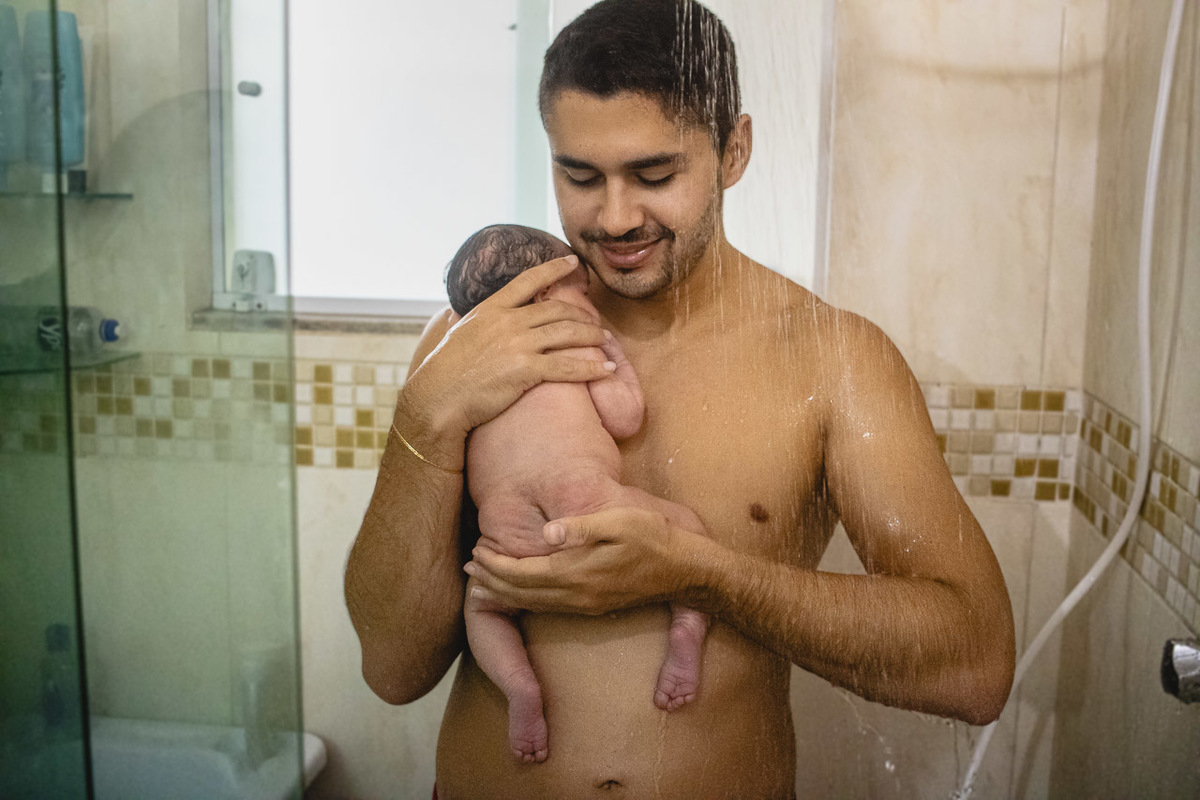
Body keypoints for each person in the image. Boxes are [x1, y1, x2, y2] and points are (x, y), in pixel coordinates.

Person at [345, 1, 1016, 797]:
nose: (615, 217)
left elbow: (976, 667)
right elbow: (393, 669)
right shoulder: (481, 335)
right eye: (579, 176)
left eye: (655, 175)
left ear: (734, 150)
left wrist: (701, 575)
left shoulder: (832, 359)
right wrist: (426, 417)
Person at [446, 224, 712, 765]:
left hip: (507, 530)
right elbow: (625, 417)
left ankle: (520, 687)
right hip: (585, 505)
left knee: (485, 608)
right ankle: (687, 627)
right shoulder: (575, 348)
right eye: (582, 293)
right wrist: (614, 354)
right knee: (688, 529)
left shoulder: (467, 370)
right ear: (546, 293)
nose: (591, 305)